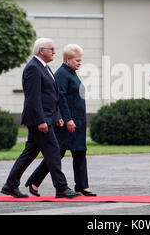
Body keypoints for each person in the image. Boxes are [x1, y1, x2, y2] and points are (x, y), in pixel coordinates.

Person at [0, 38, 81, 199]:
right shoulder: (33, 68)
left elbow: (52, 95)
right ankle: (61, 188)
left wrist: (57, 115)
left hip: (48, 117)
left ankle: (10, 185)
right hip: (39, 120)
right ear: (41, 50)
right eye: (51, 49)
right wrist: (41, 121)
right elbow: (33, 98)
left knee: (30, 153)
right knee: (53, 152)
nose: (54, 52)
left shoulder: (44, 68)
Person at [25, 44, 96, 197]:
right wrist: (67, 119)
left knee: (79, 153)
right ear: (68, 59)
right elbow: (60, 98)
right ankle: (34, 181)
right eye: (77, 60)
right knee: (57, 154)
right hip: (67, 123)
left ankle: (82, 186)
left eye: (80, 60)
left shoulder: (71, 72)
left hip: (77, 122)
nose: (79, 63)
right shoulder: (62, 74)